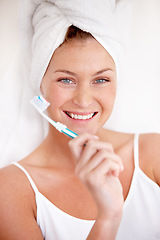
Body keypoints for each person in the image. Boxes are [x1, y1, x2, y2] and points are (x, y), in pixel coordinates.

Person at [0, 1, 160, 240]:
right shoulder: (10, 191)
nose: (84, 100)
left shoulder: (154, 154)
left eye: (101, 80)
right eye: (66, 80)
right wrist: (108, 218)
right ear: (40, 85)